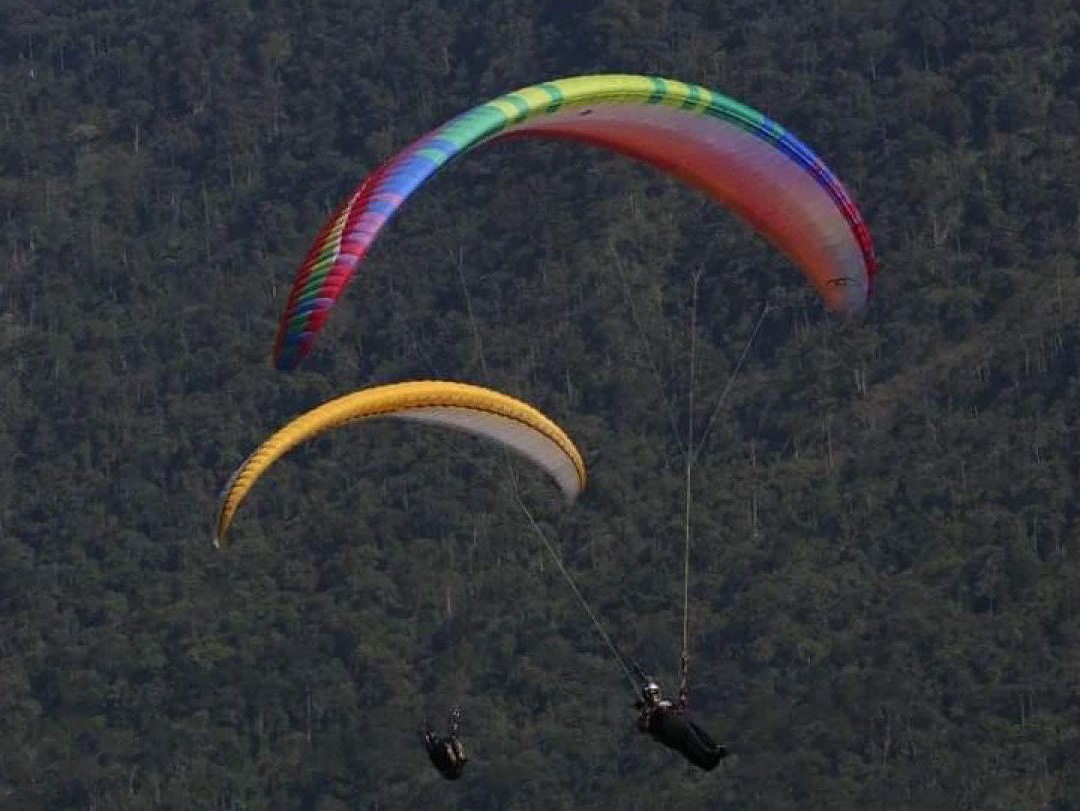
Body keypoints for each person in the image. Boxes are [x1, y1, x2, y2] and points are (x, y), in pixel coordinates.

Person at [635, 678, 727, 771]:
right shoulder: (647, 711)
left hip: (675, 728)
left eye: (655, 693)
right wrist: (646, 714)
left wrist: (682, 699)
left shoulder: (665, 703)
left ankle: (710, 755)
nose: (653, 696)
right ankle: (708, 754)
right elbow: (643, 727)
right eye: (651, 694)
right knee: (689, 739)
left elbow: (679, 709)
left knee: (691, 739)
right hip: (668, 731)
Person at [421, 706, 468, 780]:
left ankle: (453, 717)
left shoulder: (440, 758)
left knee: (448, 741)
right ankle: (454, 715)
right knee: (453, 739)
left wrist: (427, 739)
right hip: (443, 756)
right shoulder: (457, 761)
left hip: (439, 753)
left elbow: (431, 752)